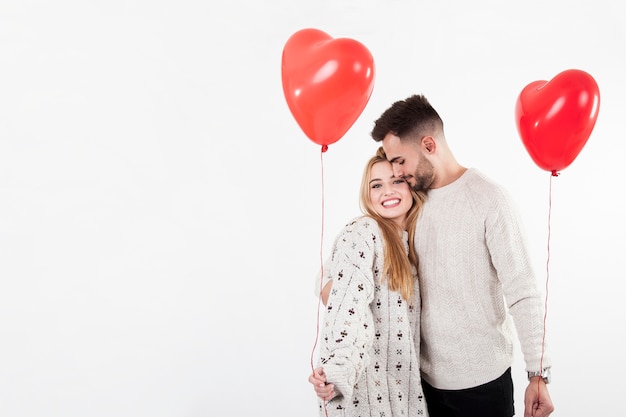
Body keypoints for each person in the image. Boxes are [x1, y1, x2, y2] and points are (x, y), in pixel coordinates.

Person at [313, 94, 554, 417]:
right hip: (420, 387)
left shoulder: (489, 199)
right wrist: (341, 295)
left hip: (482, 385)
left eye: (399, 160)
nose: (396, 172)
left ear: (428, 145)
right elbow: (342, 264)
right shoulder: (410, 202)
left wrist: (538, 373)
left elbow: (523, 292)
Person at [308, 147, 428, 417]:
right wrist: (338, 368)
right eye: (377, 185)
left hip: (406, 392)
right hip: (367, 395)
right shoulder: (364, 232)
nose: (387, 191)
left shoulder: (413, 242)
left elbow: (325, 278)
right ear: (367, 193)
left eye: (396, 181)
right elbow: (347, 307)